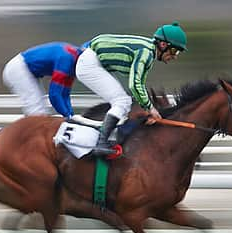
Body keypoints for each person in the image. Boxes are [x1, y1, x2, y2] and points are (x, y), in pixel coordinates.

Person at [76, 21, 187, 155]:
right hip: (90, 64)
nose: (174, 56)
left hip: (95, 62)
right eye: (174, 50)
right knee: (122, 101)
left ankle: (109, 139)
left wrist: (148, 110)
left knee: (125, 102)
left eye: (178, 53)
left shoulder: (149, 52)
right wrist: (151, 109)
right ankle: (101, 143)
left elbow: (139, 85)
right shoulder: (146, 53)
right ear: (163, 45)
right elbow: (134, 84)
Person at [2, 42, 83, 119]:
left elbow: (65, 95)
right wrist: (67, 116)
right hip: (18, 69)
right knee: (38, 113)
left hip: (25, 70)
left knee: (42, 112)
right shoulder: (67, 61)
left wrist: (71, 115)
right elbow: (55, 95)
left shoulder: (74, 59)